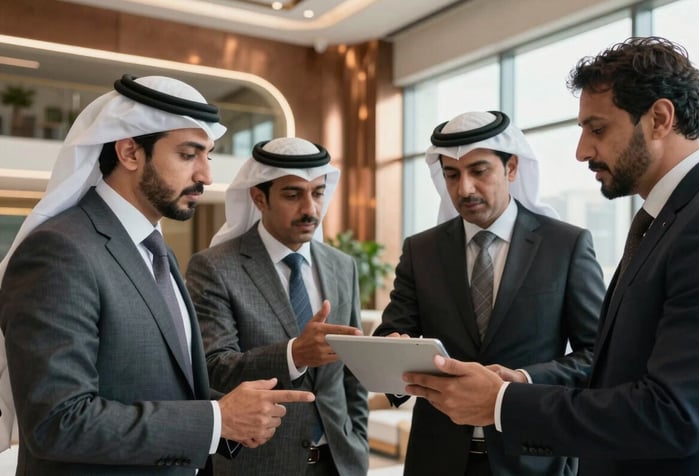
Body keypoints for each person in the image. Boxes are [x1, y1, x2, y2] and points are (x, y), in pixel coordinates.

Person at [402, 37, 699, 476]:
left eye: (597, 129)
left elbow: (674, 414)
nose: (581, 151)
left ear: (659, 118)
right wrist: (519, 382)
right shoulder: (668, 218)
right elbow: (618, 371)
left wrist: (500, 402)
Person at [0, 74, 315, 475]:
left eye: (208, 156)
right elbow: (57, 421)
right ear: (130, 152)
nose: (205, 175)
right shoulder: (60, 251)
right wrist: (217, 419)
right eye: (188, 155)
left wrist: (234, 414)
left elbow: (164, 382)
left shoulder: (155, 248)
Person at [373, 110, 605, 476]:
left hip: (533, 456)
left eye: (479, 171)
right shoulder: (422, 250)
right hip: (436, 458)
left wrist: (524, 380)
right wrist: (394, 350)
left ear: (511, 168)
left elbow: (598, 354)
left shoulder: (566, 245)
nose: (464, 188)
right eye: (452, 174)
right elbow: (390, 333)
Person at [185, 137, 369, 476]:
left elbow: (351, 375)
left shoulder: (342, 265)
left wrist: (357, 438)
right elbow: (212, 367)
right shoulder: (214, 267)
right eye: (292, 194)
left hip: (340, 462)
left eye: (317, 193)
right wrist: (294, 354)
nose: (310, 209)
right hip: (259, 464)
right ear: (259, 197)